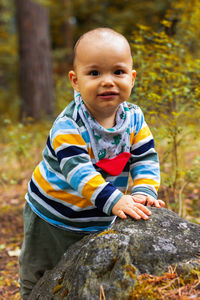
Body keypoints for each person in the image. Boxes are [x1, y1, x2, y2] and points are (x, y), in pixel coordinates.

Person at [19, 27, 164, 299]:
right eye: (94, 73)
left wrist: (144, 192)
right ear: (75, 81)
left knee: (84, 274)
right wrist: (117, 200)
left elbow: (145, 158)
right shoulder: (68, 125)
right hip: (51, 216)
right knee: (38, 272)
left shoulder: (134, 119)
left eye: (118, 72)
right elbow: (79, 173)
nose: (108, 81)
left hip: (99, 218)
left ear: (132, 78)